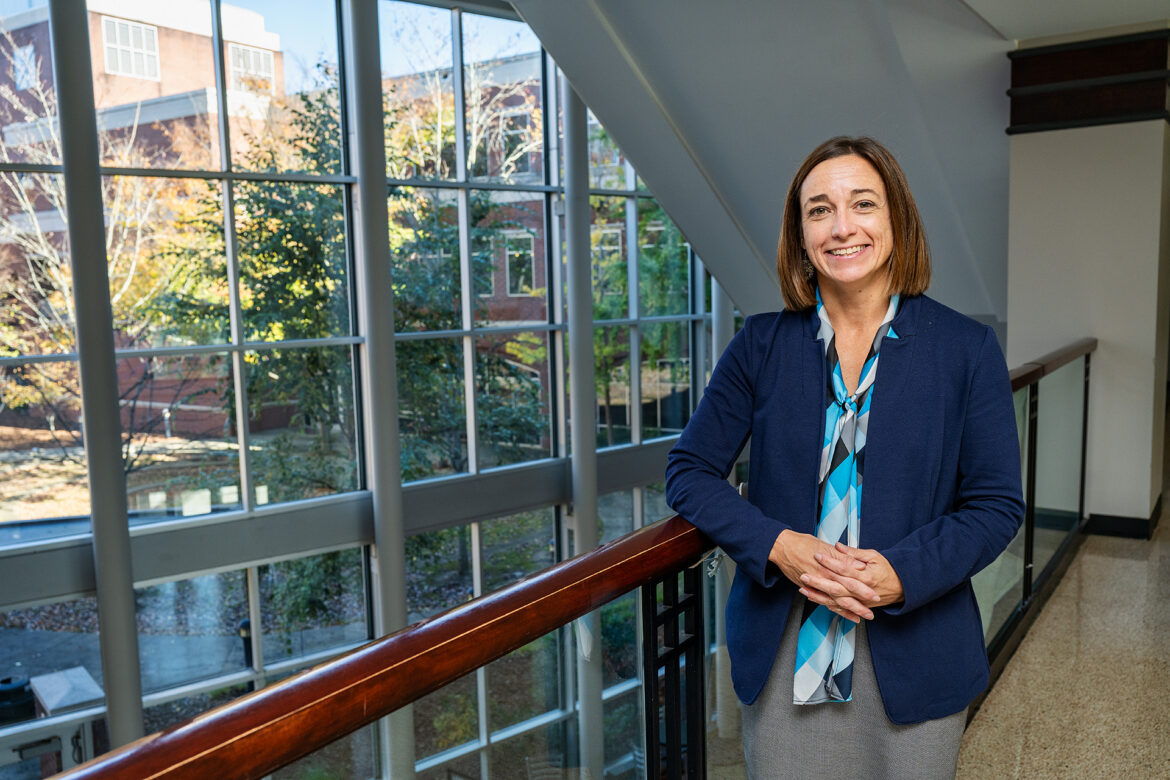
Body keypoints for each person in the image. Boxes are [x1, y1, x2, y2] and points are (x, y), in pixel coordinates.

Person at [664, 136, 1024, 779]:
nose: (842, 226)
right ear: (800, 236)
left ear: (897, 221)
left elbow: (995, 505)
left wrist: (901, 573)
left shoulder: (966, 349)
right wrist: (780, 546)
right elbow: (688, 471)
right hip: (783, 655)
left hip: (914, 656)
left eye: (863, 203)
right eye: (819, 210)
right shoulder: (761, 345)